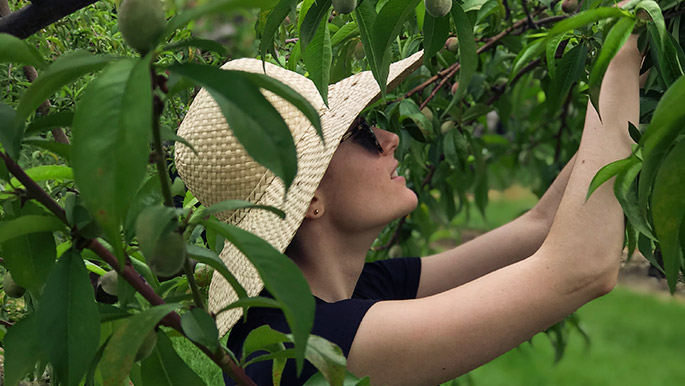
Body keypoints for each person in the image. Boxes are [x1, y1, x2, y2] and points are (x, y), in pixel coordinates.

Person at [175, 28, 641, 385]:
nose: (390, 138)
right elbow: (580, 269)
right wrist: (622, 54)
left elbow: (537, 226)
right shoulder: (302, 343)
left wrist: (631, 87)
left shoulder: (350, 292)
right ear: (311, 197)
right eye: (358, 135)